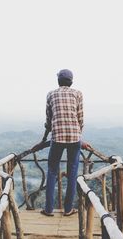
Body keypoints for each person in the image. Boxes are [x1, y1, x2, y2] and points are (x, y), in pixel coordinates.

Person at [40, 69, 84, 217]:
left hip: (57, 137)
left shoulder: (51, 94)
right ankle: (68, 209)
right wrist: (78, 134)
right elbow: (80, 118)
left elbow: (48, 119)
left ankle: (48, 209)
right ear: (71, 81)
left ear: (58, 80)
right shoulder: (78, 94)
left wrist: (45, 136)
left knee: (52, 172)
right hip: (74, 138)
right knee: (72, 173)